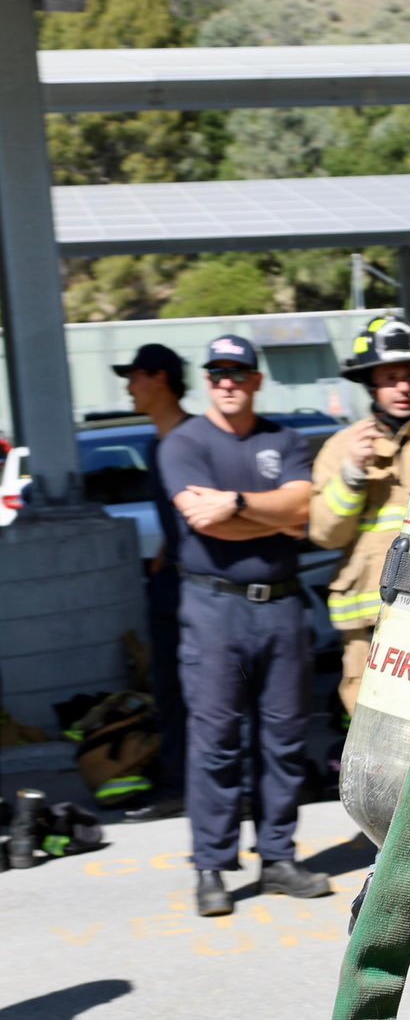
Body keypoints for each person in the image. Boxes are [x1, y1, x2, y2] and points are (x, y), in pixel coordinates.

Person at [158, 334, 332, 918]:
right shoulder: (184, 443)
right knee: (217, 742)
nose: (227, 381)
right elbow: (202, 522)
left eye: (238, 372)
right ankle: (212, 865)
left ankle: (279, 857)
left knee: (284, 739)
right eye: (217, 372)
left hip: (280, 609)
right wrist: (268, 512)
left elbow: (303, 510)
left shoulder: (284, 440)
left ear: (257, 380)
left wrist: (234, 503)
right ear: (207, 381)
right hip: (214, 611)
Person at [310, 314, 410, 719]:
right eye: (391, 376)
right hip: (366, 624)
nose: (403, 386)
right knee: (369, 725)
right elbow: (325, 534)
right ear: (371, 383)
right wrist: (352, 472)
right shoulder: (343, 447)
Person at [113, 343, 189, 814]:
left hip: (198, 591)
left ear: (159, 378)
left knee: (203, 694)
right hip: (168, 586)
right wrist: (164, 553)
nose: (128, 387)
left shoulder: (196, 438)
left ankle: (194, 787)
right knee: (167, 686)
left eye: (135, 376)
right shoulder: (155, 444)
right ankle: (178, 782)